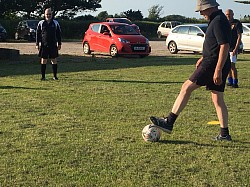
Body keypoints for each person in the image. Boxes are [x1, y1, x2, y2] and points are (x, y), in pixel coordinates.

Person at [150, 0, 232, 141]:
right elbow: (214, 45)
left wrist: (217, 69)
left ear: (210, 7)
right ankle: (224, 134)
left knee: (186, 87)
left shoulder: (218, 20)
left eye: (202, 10)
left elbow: (224, 46)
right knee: (217, 99)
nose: (200, 13)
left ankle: (169, 122)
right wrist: (203, 56)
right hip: (212, 61)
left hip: (212, 64)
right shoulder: (216, 19)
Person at [36, 8, 62, 81]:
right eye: (47, 14)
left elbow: (58, 34)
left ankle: (55, 76)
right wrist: (37, 44)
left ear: (52, 14)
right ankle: (43, 77)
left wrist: (59, 44)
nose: (48, 15)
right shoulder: (41, 23)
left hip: (53, 45)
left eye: (50, 14)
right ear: (44, 14)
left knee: (54, 60)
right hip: (44, 45)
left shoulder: (55, 23)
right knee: (43, 60)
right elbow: (38, 34)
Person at [225, 9, 243, 88]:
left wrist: (236, 48)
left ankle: (235, 82)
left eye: (229, 14)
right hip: (226, 48)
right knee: (227, 65)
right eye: (227, 14)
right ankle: (230, 81)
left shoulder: (237, 23)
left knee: (232, 65)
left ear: (233, 14)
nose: (228, 16)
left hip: (233, 47)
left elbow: (239, 36)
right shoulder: (225, 23)